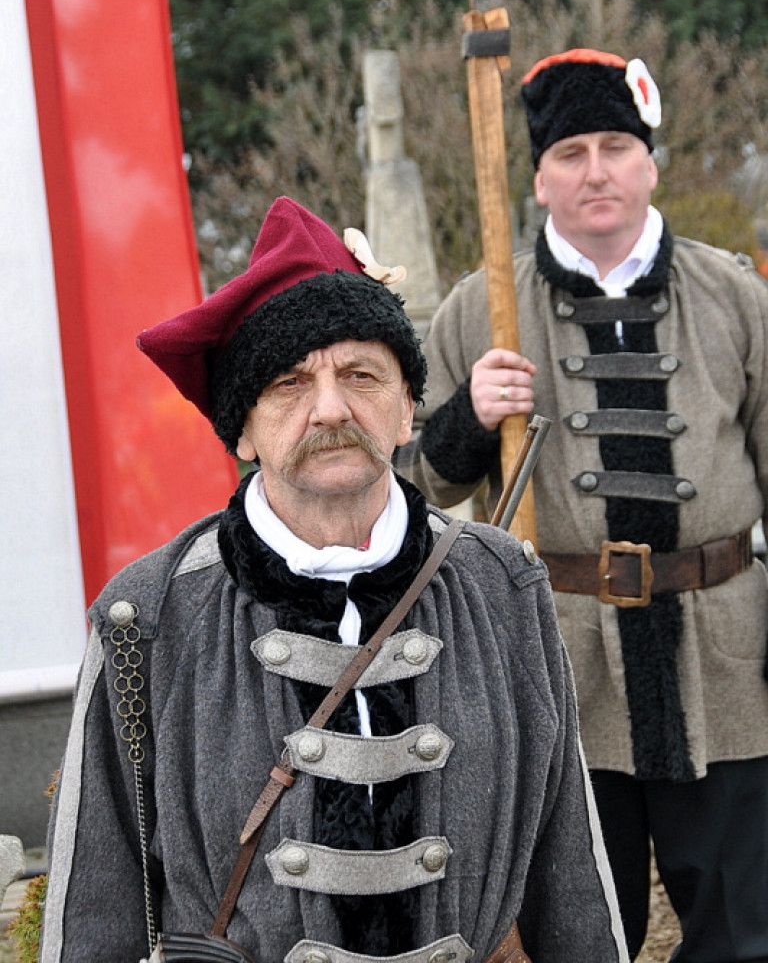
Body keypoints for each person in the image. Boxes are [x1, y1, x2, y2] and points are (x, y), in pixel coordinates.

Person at [39, 196, 627, 963]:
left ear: (407, 408)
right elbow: (95, 905)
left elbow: (570, 872)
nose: (330, 409)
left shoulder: (504, 585)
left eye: (361, 374)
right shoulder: (147, 617)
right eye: (288, 382)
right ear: (241, 429)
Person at [395, 48, 768, 963]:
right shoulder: (479, 310)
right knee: (576, 938)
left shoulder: (735, 295)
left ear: (650, 164)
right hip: (559, 668)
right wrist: (468, 419)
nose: (595, 171)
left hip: (727, 664)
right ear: (538, 179)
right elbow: (410, 490)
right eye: (570, 154)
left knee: (746, 932)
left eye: (615, 147)